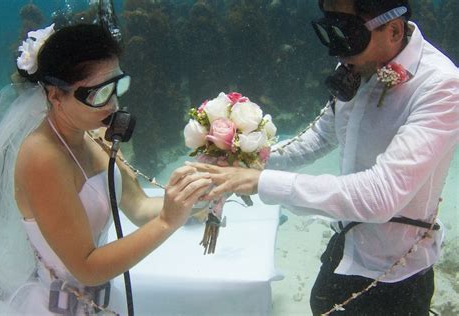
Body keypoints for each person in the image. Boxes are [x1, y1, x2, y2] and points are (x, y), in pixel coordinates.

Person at [189, 0, 459, 314]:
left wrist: (259, 181)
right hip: (345, 247)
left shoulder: (441, 88)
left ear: (394, 29)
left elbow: (381, 195)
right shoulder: (356, 63)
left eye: (347, 33)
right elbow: (320, 136)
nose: (337, 51)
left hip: (396, 273)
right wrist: (247, 159)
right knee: (321, 304)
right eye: (330, 30)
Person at [0, 23, 212, 315]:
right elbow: (87, 268)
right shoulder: (41, 157)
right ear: (55, 96)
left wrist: (193, 199)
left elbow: (140, 207)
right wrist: (168, 221)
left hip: (101, 302)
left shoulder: (91, 134)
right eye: (99, 93)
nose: (113, 104)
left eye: (118, 86)